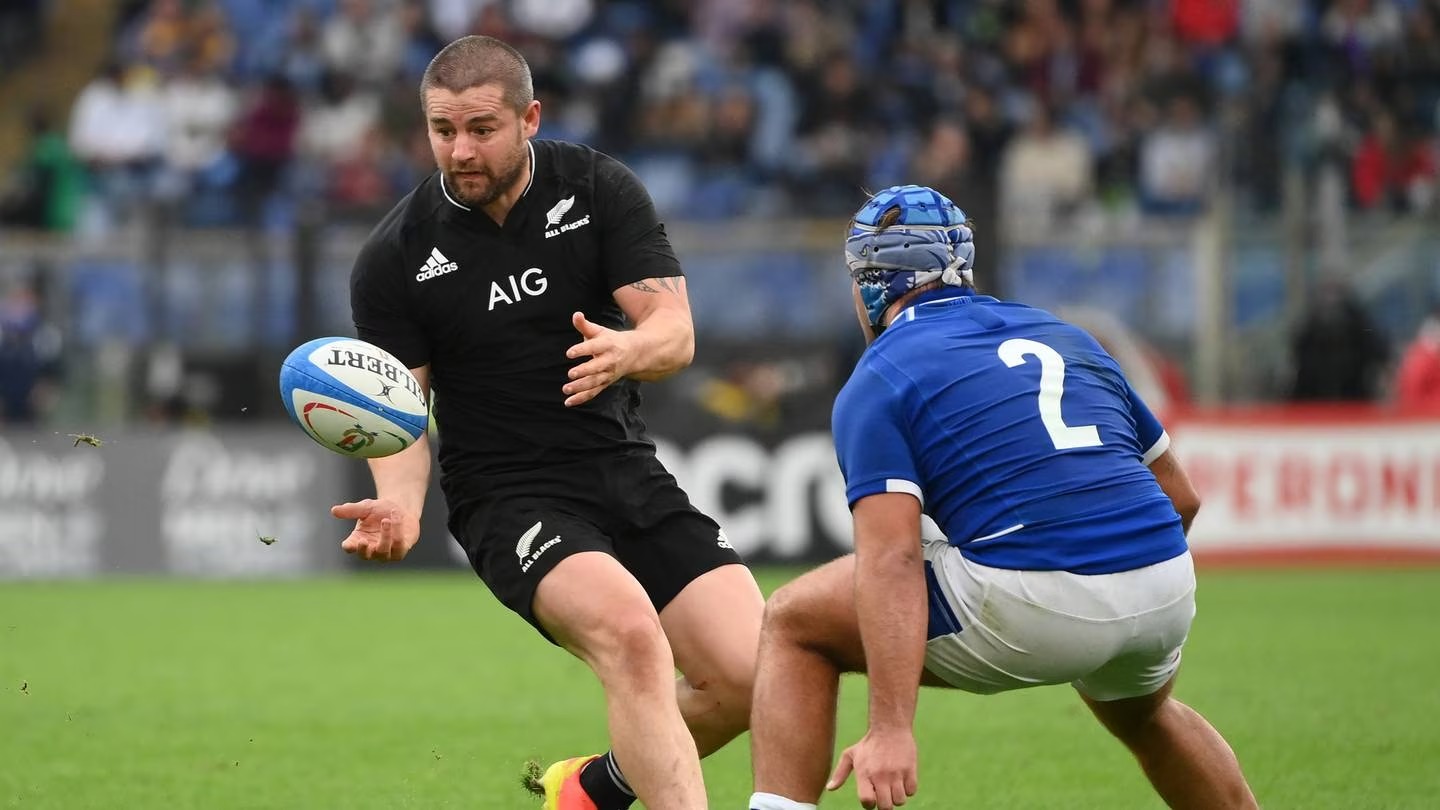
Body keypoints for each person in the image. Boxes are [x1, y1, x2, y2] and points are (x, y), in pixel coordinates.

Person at [335, 35, 764, 810]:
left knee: (751, 677)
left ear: (530, 117)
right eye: (441, 130)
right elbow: (399, 411)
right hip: (508, 496)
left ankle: (591, 790)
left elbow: (675, 331)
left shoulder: (598, 188)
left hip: (624, 468)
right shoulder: (394, 256)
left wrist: (630, 349)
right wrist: (398, 503)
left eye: (481, 129)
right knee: (633, 639)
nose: (458, 149)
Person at [746, 185, 1259, 810]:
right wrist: (1113, 581)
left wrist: (891, 730)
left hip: (1035, 602)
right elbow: (1180, 497)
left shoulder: (881, 374)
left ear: (874, 283)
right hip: (1164, 585)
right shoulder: (1066, 334)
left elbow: (892, 560)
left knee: (796, 622)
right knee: (1147, 718)